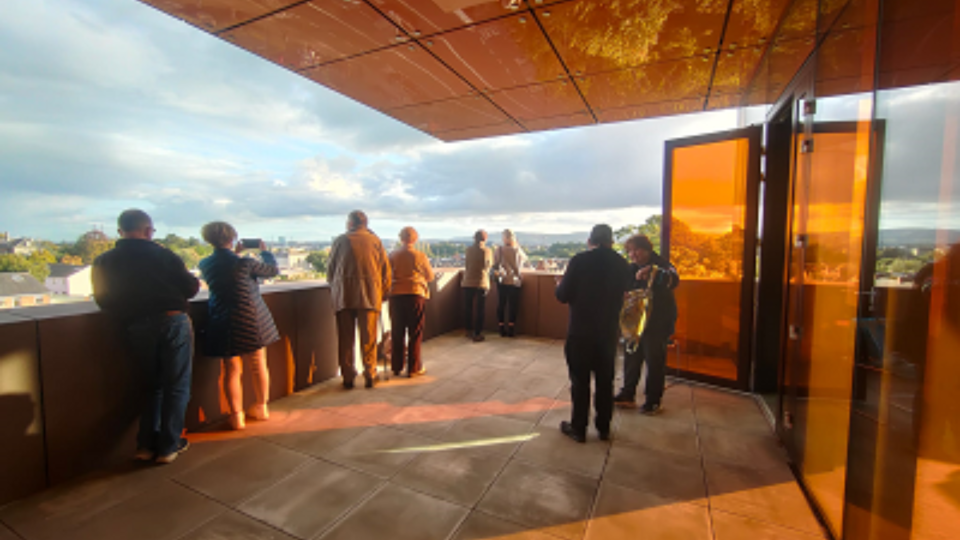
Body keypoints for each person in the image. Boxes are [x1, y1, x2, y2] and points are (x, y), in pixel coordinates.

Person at [92, 209, 200, 464]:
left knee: (149, 386)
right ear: (149, 231)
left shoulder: (104, 261)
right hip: (172, 319)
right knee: (177, 385)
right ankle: (169, 445)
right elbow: (191, 288)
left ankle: (145, 445)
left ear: (120, 231)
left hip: (135, 325)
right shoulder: (164, 255)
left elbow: (103, 299)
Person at [198, 222, 280, 431]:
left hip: (222, 320)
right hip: (251, 318)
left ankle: (237, 416)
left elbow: (225, 270)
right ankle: (261, 407)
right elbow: (272, 271)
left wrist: (235, 253)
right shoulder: (245, 263)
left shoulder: (205, 264)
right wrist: (265, 252)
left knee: (231, 370)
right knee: (258, 363)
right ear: (232, 238)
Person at [555, 224, 630, 443]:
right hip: (607, 333)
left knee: (580, 381)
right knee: (605, 381)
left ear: (590, 241)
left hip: (580, 332)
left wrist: (558, 285)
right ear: (611, 242)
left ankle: (578, 428)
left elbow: (562, 295)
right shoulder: (621, 263)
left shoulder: (580, 260)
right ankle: (604, 427)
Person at [614, 235, 680, 415]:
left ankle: (653, 400)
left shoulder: (662, 265)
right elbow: (624, 287)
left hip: (657, 322)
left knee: (654, 361)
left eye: (637, 250)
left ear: (648, 249)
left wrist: (653, 271)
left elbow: (674, 280)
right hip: (635, 323)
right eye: (630, 251)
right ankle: (628, 394)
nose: (633, 254)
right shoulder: (631, 268)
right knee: (631, 357)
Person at [328, 210, 392, 389]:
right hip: (370, 297)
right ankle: (370, 373)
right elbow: (386, 272)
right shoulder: (375, 241)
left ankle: (347, 376)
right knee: (369, 338)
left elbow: (330, 272)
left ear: (350, 223)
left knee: (345, 339)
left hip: (344, 297)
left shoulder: (340, 241)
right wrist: (383, 292)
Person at [388, 227, 435, 377]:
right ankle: (414, 368)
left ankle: (396, 366)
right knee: (415, 332)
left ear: (400, 238)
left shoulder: (392, 255)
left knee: (397, 332)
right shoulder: (420, 255)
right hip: (415, 294)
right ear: (415, 239)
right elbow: (430, 276)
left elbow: (386, 276)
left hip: (395, 295)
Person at [493, 229, 528, 337]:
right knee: (513, 305)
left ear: (503, 238)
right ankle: (511, 328)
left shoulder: (498, 250)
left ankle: (501, 327)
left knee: (501, 304)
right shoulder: (517, 250)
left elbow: (495, 264)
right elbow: (521, 263)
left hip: (502, 280)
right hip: (514, 281)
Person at [462, 229, 493, 342]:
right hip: (481, 282)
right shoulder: (487, 251)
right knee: (480, 309)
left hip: (467, 281)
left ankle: (468, 330)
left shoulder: (468, 250)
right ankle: (477, 332)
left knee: (468, 308)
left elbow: (466, 265)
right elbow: (487, 266)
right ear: (485, 239)